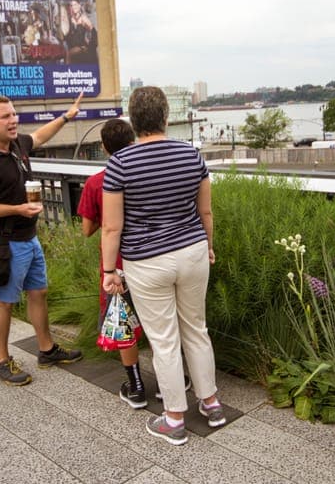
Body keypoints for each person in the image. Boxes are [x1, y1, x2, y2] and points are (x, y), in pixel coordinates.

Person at [100, 86, 225, 445]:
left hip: (147, 261)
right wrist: (209, 247)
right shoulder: (192, 155)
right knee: (196, 330)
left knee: (164, 341)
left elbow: (112, 226)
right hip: (193, 252)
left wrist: (110, 272)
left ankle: (174, 419)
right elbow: (205, 211)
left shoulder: (120, 164)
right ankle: (211, 403)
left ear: (133, 120)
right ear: (166, 117)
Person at [0, 92, 85, 386]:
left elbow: (40, 136)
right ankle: (1, 361)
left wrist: (67, 116)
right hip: (5, 242)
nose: (13, 120)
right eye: (5, 116)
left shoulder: (16, 146)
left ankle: (47, 350)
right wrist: (17, 209)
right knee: (4, 302)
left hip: (29, 238)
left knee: (38, 293)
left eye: (14, 114)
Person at [76, 118, 147, 408]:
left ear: (104, 148)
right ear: (132, 140)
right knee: (161, 320)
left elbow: (87, 229)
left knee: (123, 323)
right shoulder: (147, 174)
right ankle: (178, 380)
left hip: (115, 265)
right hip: (151, 258)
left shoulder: (96, 183)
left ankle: (136, 386)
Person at [60, 0, 98, 64]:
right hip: (72, 47)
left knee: (68, 54)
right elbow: (66, 35)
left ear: (79, 6)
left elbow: (94, 33)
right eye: (71, 5)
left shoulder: (83, 18)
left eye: (75, 5)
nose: (73, 7)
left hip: (81, 46)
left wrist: (88, 46)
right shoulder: (70, 19)